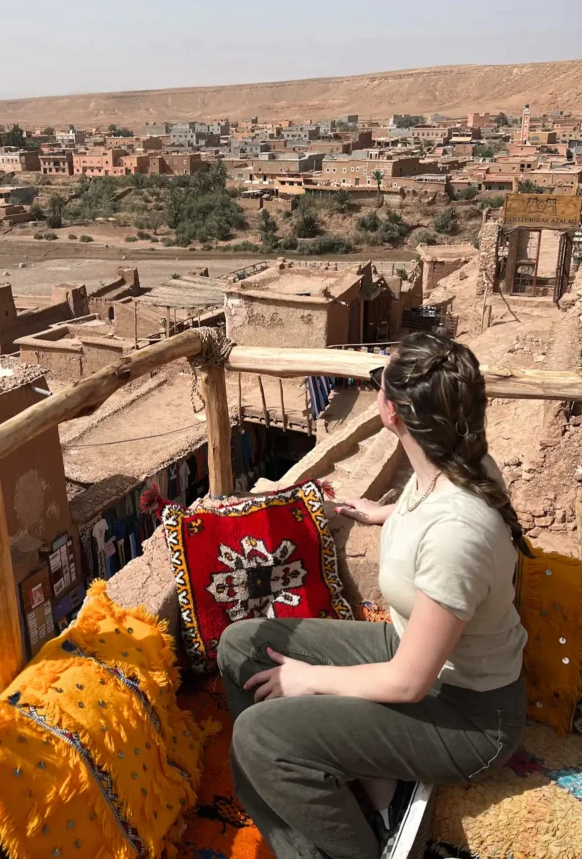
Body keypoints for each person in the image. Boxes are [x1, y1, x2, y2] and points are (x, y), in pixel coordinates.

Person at [217, 332, 529, 859]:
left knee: (259, 739)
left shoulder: (458, 532)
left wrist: (308, 679)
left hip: (468, 716)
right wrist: (380, 513)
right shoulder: (449, 456)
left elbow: (408, 682)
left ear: (390, 412)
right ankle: (336, 785)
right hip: (416, 656)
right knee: (242, 645)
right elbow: (427, 511)